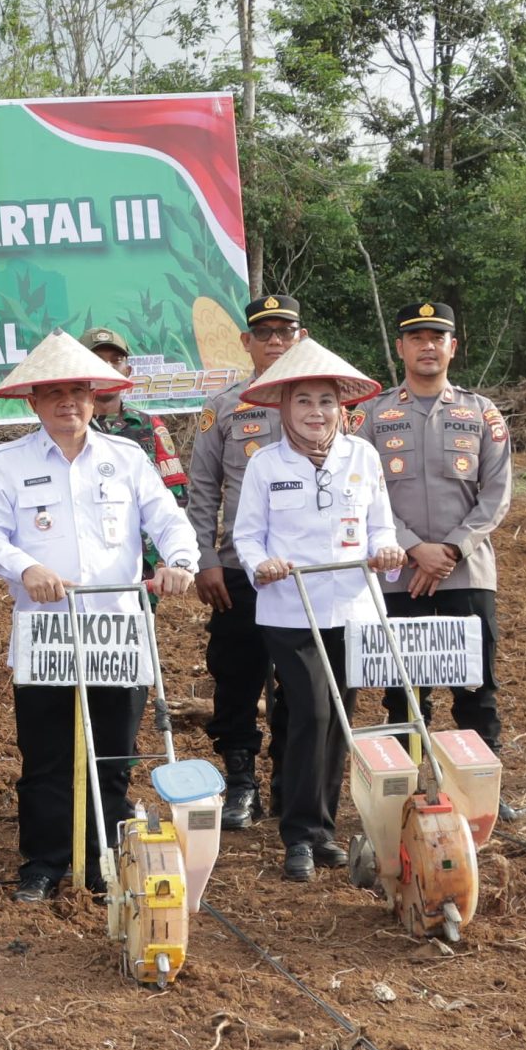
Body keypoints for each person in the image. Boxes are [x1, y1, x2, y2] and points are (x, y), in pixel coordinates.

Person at [0, 331, 199, 904]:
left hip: (116, 629)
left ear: (95, 397)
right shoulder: (7, 462)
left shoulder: (126, 458)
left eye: (78, 390)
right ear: (34, 401)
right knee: (46, 755)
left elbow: (168, 519)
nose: (67, 402)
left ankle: (104, 861)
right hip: (46, 630)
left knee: (116, 754)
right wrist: (25, 569)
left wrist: (179, 561)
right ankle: (43, 864)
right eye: (54, 392)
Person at [228, 344, 405, 881]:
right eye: (302, 400)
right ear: (283, 407)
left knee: (340, 719)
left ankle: (324, 831)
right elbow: (246, 537)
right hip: (290, 608)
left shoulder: (363, 457)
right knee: (312, 710)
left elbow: (381, 525)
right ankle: (299, 836)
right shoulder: (264, 463)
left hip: (351, 604)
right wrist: (263, 565)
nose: (315, 411)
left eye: (325, 401)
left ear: (342, 408)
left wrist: (389, 551)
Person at [184, 295, 308, 831]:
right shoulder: (224, 407)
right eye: (265, 333)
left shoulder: (322, 401)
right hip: (240, 571)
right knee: (236, 678)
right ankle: (240, 781)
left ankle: (290, 780)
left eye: (285, 331)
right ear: (247, 343)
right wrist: (206, 559)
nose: (276, 341)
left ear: (300, 337)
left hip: (307, 573)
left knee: (302, 681)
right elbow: (202, 488)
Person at [371, 302, 513, 746]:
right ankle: (406, 797)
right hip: (399, 575)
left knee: (476, 691)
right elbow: (359, 494)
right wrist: (414, 547)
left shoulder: (481, 412)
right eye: (416, 338)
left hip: (465, 573)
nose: (427, 346)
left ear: (453, 347)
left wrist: (450, 549)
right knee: (404, 695)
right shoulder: (370, 417)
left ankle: (478, 791)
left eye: (436, 338)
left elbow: (497, 492)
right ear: (400, 348)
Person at [83, 328, 189, 507]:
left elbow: (175, 498)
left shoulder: (149, 426)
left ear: (128, 370)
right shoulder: (65, 428)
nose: (108, 367)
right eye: (97, 360)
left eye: (116, 360)